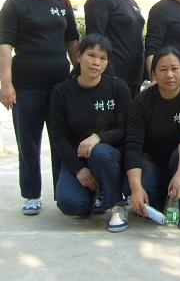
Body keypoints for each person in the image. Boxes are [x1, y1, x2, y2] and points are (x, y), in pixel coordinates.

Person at [0, 0, 79, 215]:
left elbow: (72, 43)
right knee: (28, 143)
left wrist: (81, 73)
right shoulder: (15, 4)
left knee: (62, 141)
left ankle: (64, 191)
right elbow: (5, 48)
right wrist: (6, 85)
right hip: (26, 88)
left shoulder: (62, 3)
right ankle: (31, 194)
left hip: (60, 87)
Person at [49, 34, 131, 232]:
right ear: (78, 56)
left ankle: (116, 204)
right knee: (72, 205)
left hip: (109, 157)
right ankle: (95, 194)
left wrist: (98, 137)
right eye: (91, 55)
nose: (96, 62)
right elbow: (58, 137)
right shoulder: (61, 92)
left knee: (99, 152)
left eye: (103, 58)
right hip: (78, 158)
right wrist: (78, 169)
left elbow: (126, 130)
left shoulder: (117, 88)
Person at [124, 47, 180, 231]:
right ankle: (159, 197)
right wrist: (136, 187)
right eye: (163, 69)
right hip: (151, 161)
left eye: (174, 69)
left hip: (179, 160)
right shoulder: (141, 102)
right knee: (141, 196)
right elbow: (133, 146)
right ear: (153, 73)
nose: (169, 75)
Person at [84, 0, 145, 98]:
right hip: (113, 78)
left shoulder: (131, 1)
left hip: (134, 78)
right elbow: (95, 40)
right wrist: (108, 75)